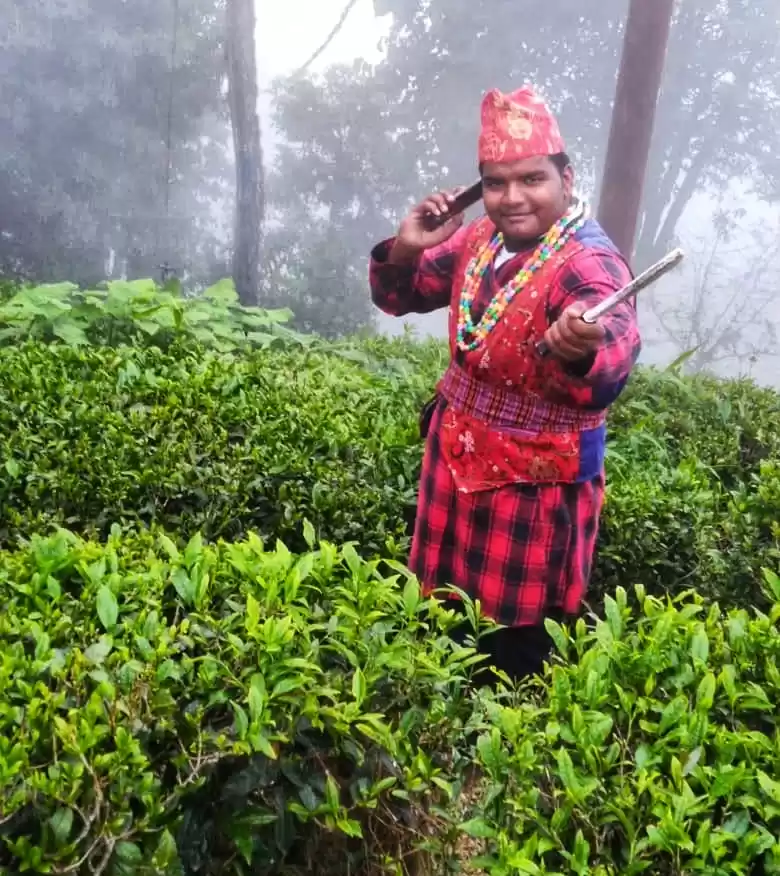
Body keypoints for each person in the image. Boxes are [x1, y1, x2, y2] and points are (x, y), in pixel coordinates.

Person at [368, 85, 641, 685]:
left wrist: (583, 349)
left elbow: (614, 346)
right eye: (495, 183)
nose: (512, 198)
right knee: (441, 620)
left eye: (532, 180)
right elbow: (399, 295)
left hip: (533, 487)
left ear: (566, 180)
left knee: (515, 647)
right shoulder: (479, 240)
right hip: (455, 459)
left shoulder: (587, 262)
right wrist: (408, 247)